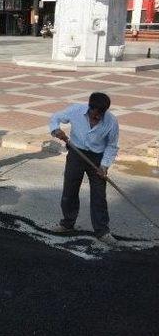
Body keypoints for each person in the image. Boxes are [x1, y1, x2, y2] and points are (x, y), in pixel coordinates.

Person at [49, 92, 119, 245]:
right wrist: (56, 130)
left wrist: (104, 166)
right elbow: (55, 117)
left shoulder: (111, 122)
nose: (97, 118)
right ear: (90, 107)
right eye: (95, 114)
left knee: (99, 196)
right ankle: (67, 224)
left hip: (97, 159)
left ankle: (102, 231)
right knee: (70, 190)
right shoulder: (76, 110)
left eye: (101, 115)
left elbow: (112, 146)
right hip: (76, 153)